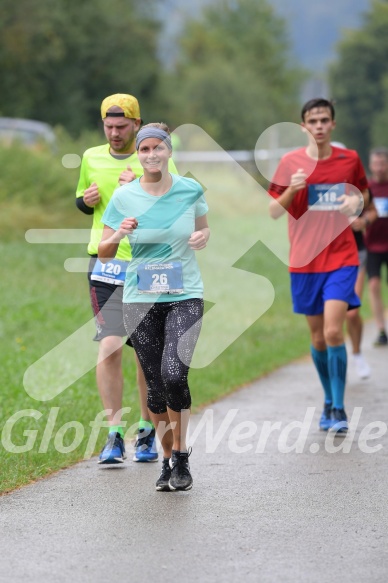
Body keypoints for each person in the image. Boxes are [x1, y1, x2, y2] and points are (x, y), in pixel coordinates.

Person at [98, 123, 210, 491]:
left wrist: (202, 236)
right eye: (143, 150)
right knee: (156, 391)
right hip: (140, 299)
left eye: (156, 149)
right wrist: (118, 233)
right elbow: (104, 251)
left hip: (185, 294)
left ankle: (182, 455)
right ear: (138, 155)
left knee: (175, 374)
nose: (150, 155)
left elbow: (204, 228)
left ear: (168, 151)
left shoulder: (190, 189)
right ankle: (168, 460)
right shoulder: (125, 197)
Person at [75, 94, 178, 464]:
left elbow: (176, 202)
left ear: (137, 123)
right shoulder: (91, 157)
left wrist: (142, 183)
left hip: (149, 263)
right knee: (110, 346)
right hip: (105, 262)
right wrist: (85, 200)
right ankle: (114, 436)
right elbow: (83, 201)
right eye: (109, 126)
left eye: (122, 126)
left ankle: (147, 431)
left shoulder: (154, 154)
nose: (115, 133)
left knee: (146, 353)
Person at [268, 98, 369, 434]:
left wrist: (355, 202)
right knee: (317, 336)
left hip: (341, 257)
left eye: (325, 120)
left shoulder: (349, 159)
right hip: (304, 261)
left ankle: (339, 408)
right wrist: (292, 190)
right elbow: (273, 210)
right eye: (313, 121)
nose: (320, 126)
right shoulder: (290, 163)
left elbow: (363, 195)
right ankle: (328, 399)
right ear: (304, 127)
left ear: (333, 125)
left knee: (332, 330)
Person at [346, 196, 377, 377]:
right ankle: (335, 359)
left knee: (352, 311)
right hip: (326, 253)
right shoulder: (316, 182)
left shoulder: (355, 183)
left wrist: (363, 221)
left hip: (356, 251)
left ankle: (357, 354)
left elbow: (373, 209)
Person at [365, 147, 388, 346]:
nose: (379, 168)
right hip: (372, 245)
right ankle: (381, 330)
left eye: (383, 163)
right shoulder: (366, 189)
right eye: (376, 164)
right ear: (371, 166)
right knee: (373, 285)